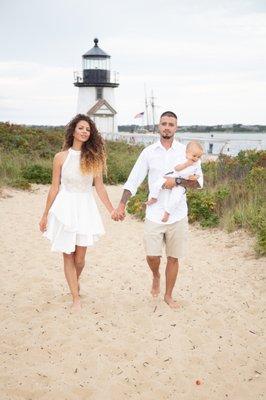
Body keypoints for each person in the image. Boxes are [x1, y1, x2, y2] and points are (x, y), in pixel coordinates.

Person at [115, 111, 203, 309]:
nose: (167, 127)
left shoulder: (187, 152)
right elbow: (133, 179)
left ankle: (168, 295)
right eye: (164, 123)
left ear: (176, 127)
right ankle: (155, 275)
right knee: (152, 255)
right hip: (154, 213)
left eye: (171, 124)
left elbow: (198, 183)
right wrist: (122, 204)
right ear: (158, 126)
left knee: (173, 257)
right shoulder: (148, 152)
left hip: (178, 213)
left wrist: (177, 181)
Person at [39, 114, 117, 311]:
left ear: (91, 134)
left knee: (80, 259)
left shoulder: (94, 158)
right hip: (65, 206)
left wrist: (111, 210)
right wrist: (45, 214)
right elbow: (54, 188)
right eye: (81, 128)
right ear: (73, 130)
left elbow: (99, 187)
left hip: (85, 208)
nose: (84, 132)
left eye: (88, 129)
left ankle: (74, 280)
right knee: (68, 254)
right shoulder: (60, 157)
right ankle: (75, 297)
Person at [146, 141, 204, 222]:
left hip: (182, 183)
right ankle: (154, 198)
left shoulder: (197, 164)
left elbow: (198, 175)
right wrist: (186, 164)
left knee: (175, 198)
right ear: (187, 153)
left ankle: (167, 213)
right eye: (194, 156)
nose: (196, 158)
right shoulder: (182, 158)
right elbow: (176, 168)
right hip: (173, 175)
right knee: (158, 183)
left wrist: (194, 177)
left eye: (199, 157)